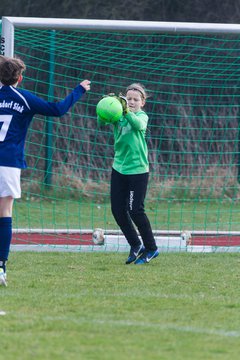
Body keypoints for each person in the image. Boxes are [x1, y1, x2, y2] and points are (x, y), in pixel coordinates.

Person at [0, 56, 91, 286]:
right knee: (5, 212)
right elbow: (58, 109)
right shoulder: (24, 98)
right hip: (8, 163)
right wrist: (79, 90)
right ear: (20, 78)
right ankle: (1, 266)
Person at [98, 83, 159, 264]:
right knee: (117, 210)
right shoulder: (119, 116)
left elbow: (138, 124)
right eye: (129, 98)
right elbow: (102, 120)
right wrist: (108, 105)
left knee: (135, 210)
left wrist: (125, 111)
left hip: (138, 170)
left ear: (142, 102)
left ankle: (151, 248)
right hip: (119, 169)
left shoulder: (141, 116)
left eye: (135, 99)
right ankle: (135, 245)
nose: (131, 102)